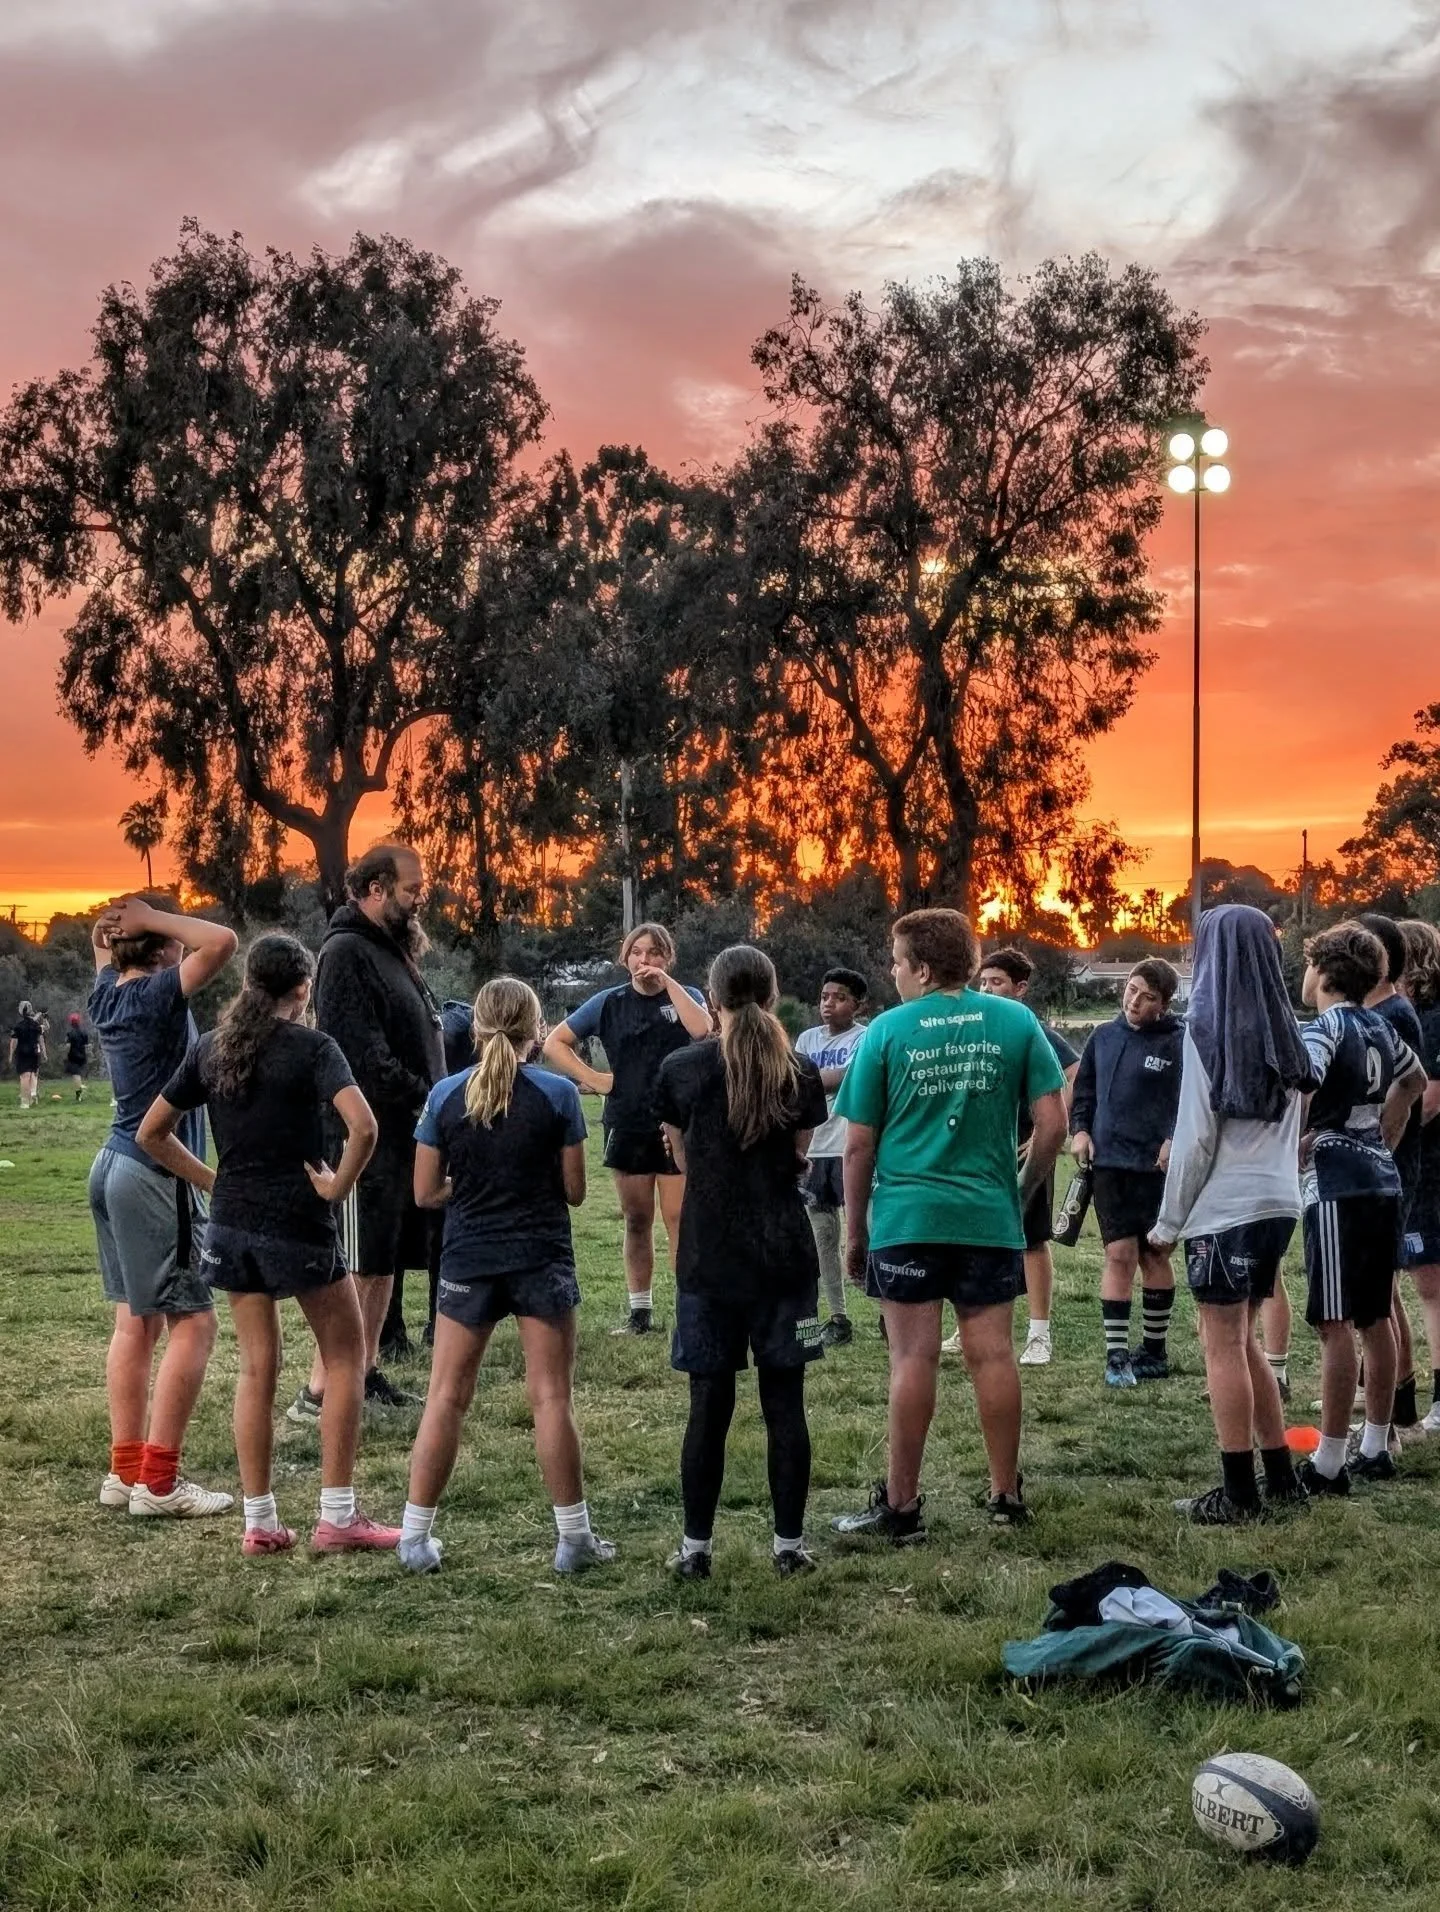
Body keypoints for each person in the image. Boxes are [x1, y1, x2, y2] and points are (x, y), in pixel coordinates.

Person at [136, 933, 401, 1555]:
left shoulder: (211, 1048)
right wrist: (337, 1187)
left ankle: (260, 1523)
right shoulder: (314, 1048)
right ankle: (338, 1516)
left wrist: (214, 1179)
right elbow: (364, 1125)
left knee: (258, 1367)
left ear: (250, 983)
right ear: (303, 988)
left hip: (231, 1224)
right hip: (296, 1219)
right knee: (344, 1357)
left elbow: (152, 1132)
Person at [831, 909, 1067, 1541]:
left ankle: (902, 1508)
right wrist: (1020, 1193)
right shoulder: (1016, 1021)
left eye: (896, 959)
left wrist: (856, 1234)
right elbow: (1053, 1126)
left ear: (923, 968)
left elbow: (857, 1146)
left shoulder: (885, 1031)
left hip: (907, 1217)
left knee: (913, 1357)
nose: (891, 970)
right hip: (987, 1216)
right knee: (992, 1355)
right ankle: (1005, 1494)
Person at [397, 977, 614, 1576]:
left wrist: (464, 1191)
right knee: (550, 1397)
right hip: (539, 1255)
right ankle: (573, 1540)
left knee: (446, 1395)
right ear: (534, 1030)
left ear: (477, 1029)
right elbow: (574, 1192)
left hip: (468, 1258)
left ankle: (414, 1537)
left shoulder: (445, 1096)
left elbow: (423, 1192)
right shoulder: (558, 1095)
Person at [656, 945, 829, 1577]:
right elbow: (799, 1154)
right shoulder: (801, 1072)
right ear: (774, 994)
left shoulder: (681, 1068)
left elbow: (681, 1160)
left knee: (709, 1404)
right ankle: (789, 1548)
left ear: (712, 997)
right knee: (787, 1403)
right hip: (786, 1256)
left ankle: (695, 1551)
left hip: (708, 1258)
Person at [1148, 906, 1316, 1523]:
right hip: (1279, 1202)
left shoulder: (1205, 1030)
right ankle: (1279, 1476)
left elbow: (1195, 1139)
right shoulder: (1289, 1031)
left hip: (1225, 1209)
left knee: (1219, 1345)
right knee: (1244, 1341)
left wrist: (1167, 1226)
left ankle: (1238, 1492)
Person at [86, 894, 239, 1516]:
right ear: (161, 945)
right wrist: (148, 916)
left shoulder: (106, 994)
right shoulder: (154, 995)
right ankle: (159, 1484)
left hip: (112, 1167)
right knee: (195, 1323)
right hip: (153, 1174)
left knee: (135, 1324)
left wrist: (124, 923)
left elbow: (102, 943)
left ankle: (126, 1474)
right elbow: (222, 941)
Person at [288, 845, 444, 1423]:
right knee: (356, 1263)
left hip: (402, 1135)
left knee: (380, 1261)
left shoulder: (388, 950)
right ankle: (319, 1391)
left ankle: (364, 1369)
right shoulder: (347, 952)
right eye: (409, 888)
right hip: (365, 1136)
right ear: (375, 888)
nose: (418, 896)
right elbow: (361, 1057)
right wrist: (429, 1094)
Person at [1295, 922, 1424, 1494]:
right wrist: (1384, 1138)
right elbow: (1414, 1080)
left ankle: (1328, 1460)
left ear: (1322, 973)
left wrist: (1299, 1140)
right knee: (1376, 1315)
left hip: (1335, 1183)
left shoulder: (1324, 1029)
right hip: (1381, 1178)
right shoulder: (1379, 1025)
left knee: (1334, 1321)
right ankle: (1376, 1443)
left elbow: (1303, 1084)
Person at [543, 923, 710, 1335]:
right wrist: (595, 1079)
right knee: (637, 1218)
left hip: (678, 1124)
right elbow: (554, 1043)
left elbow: (705, 1031)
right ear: (625, 958)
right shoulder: (608, 1002)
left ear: (667, 958)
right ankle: (640, 1312)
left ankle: (691, 1311)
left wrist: (668, 983)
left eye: (654, 952)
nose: (644, 960)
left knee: (679, 1217)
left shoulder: (685, 996)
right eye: (637, 952)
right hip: (628, 1122)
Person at [1069, 960, 1184, 1389]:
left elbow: (1188, 1102)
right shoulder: (1103, 1036)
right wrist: (1080, 1130)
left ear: (1164, 1003)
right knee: (1119, 1255)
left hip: (1156, 1168)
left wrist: (1174, 1138)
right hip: (1110, 1165)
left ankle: (1154, 1350)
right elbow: (1084, 1093)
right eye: (1132, 990)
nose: (1135, 1001)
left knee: (1154, 1254)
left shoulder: (1179, 1042)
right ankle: (1117, 1356)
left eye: (1148, 997)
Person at [973, 947, 1081, 1365]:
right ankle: (971, 1325)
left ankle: (1039, 1334)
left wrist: (1044, 1130)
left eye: (996, 982)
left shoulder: (1029, 1028)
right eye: (982, 982)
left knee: (1031, 1240)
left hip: (1025, 1146)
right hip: (981, 1147)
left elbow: (1073, 1072)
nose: (986, 989)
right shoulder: (977, 1024)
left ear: (1021, 988)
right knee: (977, 1239)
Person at [1357, 912, 1427, 1436]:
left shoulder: (1395, 1015)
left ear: (1379, 962)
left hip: (1390, 1168)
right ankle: (1395, 1403)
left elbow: (1409, 1089)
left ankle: (1393, 1410)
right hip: (1384, 1168)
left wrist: (1375, 1149)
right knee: (1383, 1292)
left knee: (1378, 1295)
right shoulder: (1380, 1010)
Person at [795, 967, 870, 1348]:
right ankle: (838, 1316)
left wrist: (805, 1078)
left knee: (867, 1231)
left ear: (859, 1005)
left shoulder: (866, 1038)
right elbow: (792, 1081)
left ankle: (887, 1305)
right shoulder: (807, 1038)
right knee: (824, 1237)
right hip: (815, 1149)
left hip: (851, 1148)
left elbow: (844, 1077)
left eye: (840, 997)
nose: (829, 1004)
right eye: (825, 996)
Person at [1395, 919, 1440, 1435]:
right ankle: (1386, 1389)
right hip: (1414, 1165)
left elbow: (1427, 1101)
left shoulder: (1432, 1019)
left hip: (1429, 1167)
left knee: (1430, 1283)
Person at [9, 999, 45, 1108]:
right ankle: (31, 1097)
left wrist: (11, 1054)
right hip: (34, 1052)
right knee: (32, 1075)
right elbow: (41, 1039)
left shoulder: (18, 1026)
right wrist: (43, 1052)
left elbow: (14, 1042)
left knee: (25, 1077)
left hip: (22, 1052)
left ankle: (25, 1102)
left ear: (21, 1011)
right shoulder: (36, 1025)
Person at [64, 1013, 91, 1101]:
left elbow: (68, 1046)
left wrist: (65, 1054)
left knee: (76, 1075)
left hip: (73, 1056)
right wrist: (88, 1055)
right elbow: (87, 1046)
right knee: (79, 1074)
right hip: (82, 1056)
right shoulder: (84, 1033)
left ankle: (79, 1094)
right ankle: (81, 1086)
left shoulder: (70, 1033)